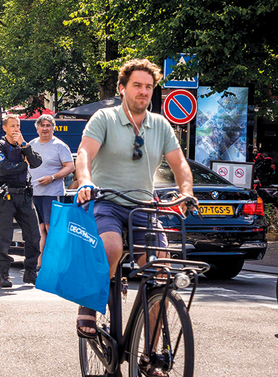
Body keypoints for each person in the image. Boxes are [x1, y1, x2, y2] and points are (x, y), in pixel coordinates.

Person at [74, 58, 195, 338]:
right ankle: (89, 302)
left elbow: (179, 164)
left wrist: (186, 192)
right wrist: (86, 181)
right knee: (111, 248)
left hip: (144, 206)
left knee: (161, 273)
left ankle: (152, 353)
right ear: (122, 88)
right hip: (106, 201)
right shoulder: (104, 118)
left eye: (148, 87)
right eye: (137, 85)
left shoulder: (160, 125)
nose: (143, 91)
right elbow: (84, 153)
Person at [0, 113, 42, 288]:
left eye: (18, 126)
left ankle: (30, 272)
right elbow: (4, 168)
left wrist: (24, 146)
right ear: (4, 128)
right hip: (6, 196)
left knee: (34, 235)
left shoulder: (23, 146)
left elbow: (37, 162)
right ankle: (4, 274)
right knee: (3, 237)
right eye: (12, 126)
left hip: (24, 195)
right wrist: (24, 165)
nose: (16, 129)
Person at [28, 115, 75, 268]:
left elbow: (70, 167)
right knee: (39, 229)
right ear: (37, 128)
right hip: (34, 193)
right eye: (42, 125)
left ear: (53, 128)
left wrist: (53, 177)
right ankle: (39, 264)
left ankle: (57, 264)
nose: (45, 128)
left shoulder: (59, 146)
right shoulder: (31, 145)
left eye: (48, 125)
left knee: (52, 228)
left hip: (52, 193)